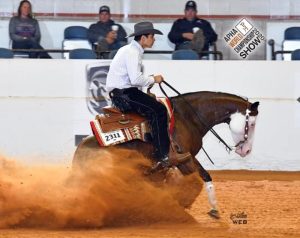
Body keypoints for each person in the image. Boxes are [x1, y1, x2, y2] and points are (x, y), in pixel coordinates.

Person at [106, 21, 191, 170]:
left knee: (155, 107)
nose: (154, 39)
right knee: (159, 110)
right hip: (124, 94)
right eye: (152, 36)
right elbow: (135, 80)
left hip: (123, 92)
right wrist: (154, 79)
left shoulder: (130, 50)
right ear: (143, 38)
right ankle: (163, 156)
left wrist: (148, 81)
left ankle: (155, 148)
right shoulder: (133, 52)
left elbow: (133, 79)